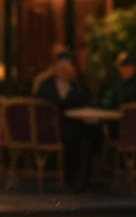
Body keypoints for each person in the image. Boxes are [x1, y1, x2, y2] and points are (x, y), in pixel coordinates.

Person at [34, 50, 101, 189]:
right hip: (52, 128)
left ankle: (86, 177)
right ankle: (71, 178)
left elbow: (87, 102)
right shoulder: (46, 86)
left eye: (67, 68)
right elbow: (40, 108)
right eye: (61, 67)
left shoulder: (77, 86)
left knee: (94, 132)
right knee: (73, 137)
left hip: (74, 124)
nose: (64, 71)